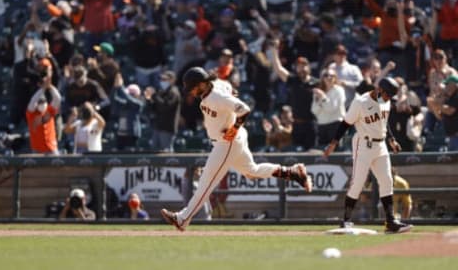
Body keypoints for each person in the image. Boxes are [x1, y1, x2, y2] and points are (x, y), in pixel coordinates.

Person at [161, 67, 312, 231]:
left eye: (193, 87)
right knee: (252, 170)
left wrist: (233, 128)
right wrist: (232, 92)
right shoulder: (216, 85)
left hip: (227, 143)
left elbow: (244, 109)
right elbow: (226, 85)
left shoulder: (216, 96)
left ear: (203, 84)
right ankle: (293, 172)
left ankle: (183, 218)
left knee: (206, 183)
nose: (191, 92)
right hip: (229, 140)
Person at [323, 77, 413, 234]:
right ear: (380, 90)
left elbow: (384, 122)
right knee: (358, 182)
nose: (389, 98)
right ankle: (346, 220)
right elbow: (346, 123)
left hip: (381, 145)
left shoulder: (385, 101)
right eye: (388, 94)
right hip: (363, 144)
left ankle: (390, 222)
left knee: (387, 180)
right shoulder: (360, 102)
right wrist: (334, 143)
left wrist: (392, 140)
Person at [26, 76, 61, 155]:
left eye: (43, 102)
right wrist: (43, 89)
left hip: (51, 148)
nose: (42, 104)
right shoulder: (31, 113)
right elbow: (33, 101)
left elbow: (57, 98)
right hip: (37, 149)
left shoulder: (49, 110)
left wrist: (50, 86)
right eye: (40, 103)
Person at [311, 68, 346, 147]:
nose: (329, 77)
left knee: (336, 154)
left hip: (336, 125)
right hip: (322, 126)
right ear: (322, 78)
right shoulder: (319, 91)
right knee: (322, 155)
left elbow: (331, 109)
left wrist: (323, 98)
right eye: (326, 75)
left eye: (332, 75)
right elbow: (314, 110)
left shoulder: (339, 90)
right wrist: (321, 101)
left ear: (335, 78)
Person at [439, 75, 458, 151]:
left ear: (453, 84)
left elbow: (450, 111)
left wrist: (437, 105)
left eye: (448, 84)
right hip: (452, 137)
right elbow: (440, 115)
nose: (446, 87)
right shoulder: (450, 97)